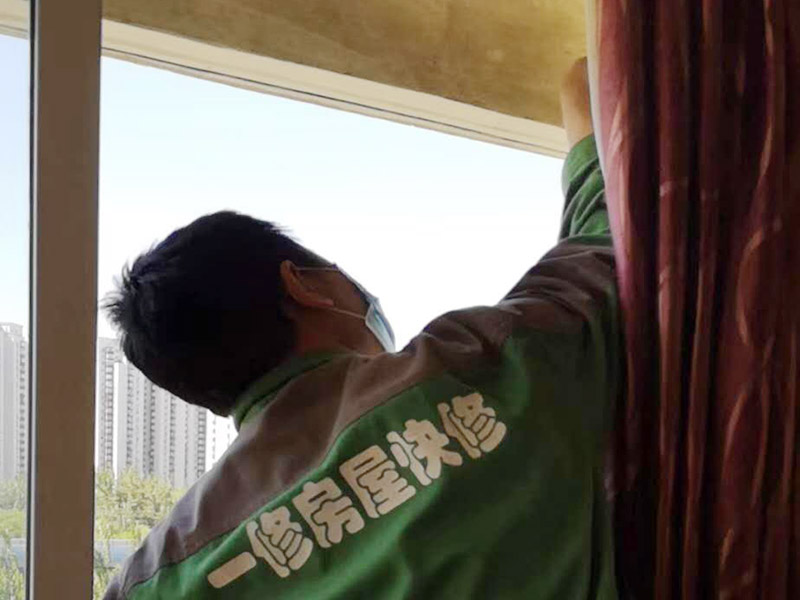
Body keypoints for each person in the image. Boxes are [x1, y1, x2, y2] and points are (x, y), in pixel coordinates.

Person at [103, 58, 618, 599]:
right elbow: (610, 234)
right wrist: (585, 81)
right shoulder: (484, 366)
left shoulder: (152, 581)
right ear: (303, 285)